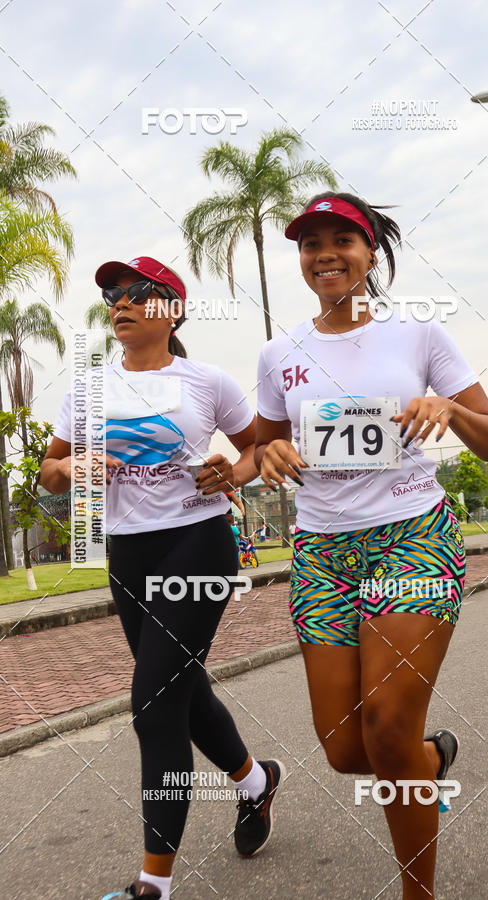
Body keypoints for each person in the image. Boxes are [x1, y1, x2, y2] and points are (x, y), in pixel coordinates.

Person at [254, 193, 488, 898]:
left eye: (342, 240)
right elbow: (265, 445)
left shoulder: (418, 333)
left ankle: (418, 892)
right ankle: (429, 761)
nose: (325, 254)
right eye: (311, 243)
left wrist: (450, 408)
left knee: (387, 729)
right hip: (322, 550)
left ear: (371, 252)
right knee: (345, 750)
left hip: (410, 534)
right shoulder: (278, 353)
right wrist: (269, 455)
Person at [41, 256, 283, 900]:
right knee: (183, 689)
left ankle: (154, 883)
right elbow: (50, 470)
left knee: (154, 703)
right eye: (112, 295)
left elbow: (258, 445)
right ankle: (256, 782)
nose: (120, 302)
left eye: (137, 292)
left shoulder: (207, 380)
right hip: (129, 553)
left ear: (172, 310)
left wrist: (233, 471)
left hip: (197, 543)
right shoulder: (87, 389)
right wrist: (72, 470)